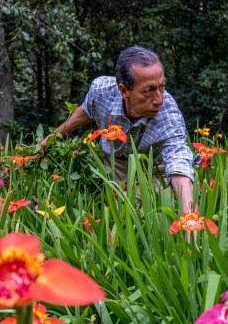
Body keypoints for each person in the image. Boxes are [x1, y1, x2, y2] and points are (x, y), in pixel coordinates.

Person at [42, 46, 195, 213]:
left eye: (162, 87)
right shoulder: (102, 91)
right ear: (124, 90)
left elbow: (179, 162)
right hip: (112, 162)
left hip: (153, 169)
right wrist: (49, 140)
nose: (159, 99)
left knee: (135, 213)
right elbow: (85, 111)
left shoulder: (168, 112)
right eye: (149, 90)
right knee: (96, 209)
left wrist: (190, 218)